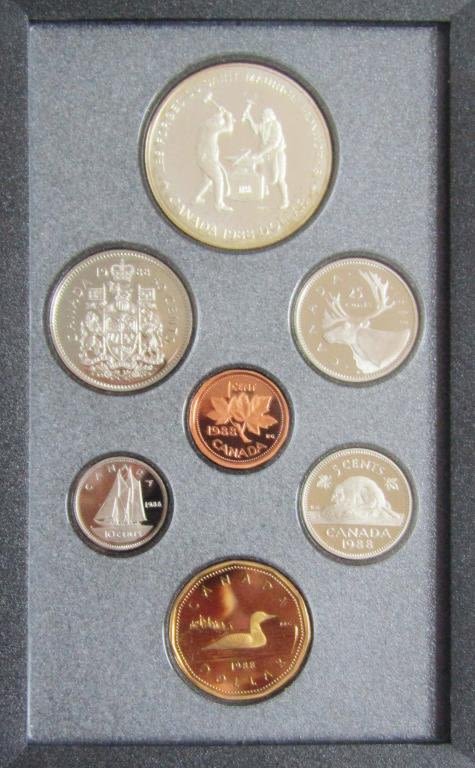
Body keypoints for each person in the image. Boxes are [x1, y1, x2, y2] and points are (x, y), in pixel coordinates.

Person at [242, 105, 289, 209]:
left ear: (270, 115)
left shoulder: (275, 125)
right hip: (267, 155)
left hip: (277, 154)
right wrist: (249, 117)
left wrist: (260, 153)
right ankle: (264, 198)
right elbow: (255, 129)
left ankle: (285, 200)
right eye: (263, 114)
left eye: (265, 114)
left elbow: (274, 143)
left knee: (280, 178)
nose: (263, 116)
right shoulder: (263, 125)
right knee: (263, 175)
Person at [195, 106, 235, 211]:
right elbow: (229, 128)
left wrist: (221, 114)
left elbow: (219, 123)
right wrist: (229, 117)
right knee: (219, 179)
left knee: (207, 181)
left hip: (204, 158)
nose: (221, 125)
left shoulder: (207, 125)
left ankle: (196, 198)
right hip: (208, 160)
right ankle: (219, 204)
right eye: (220, 123)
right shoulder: (212, 128)